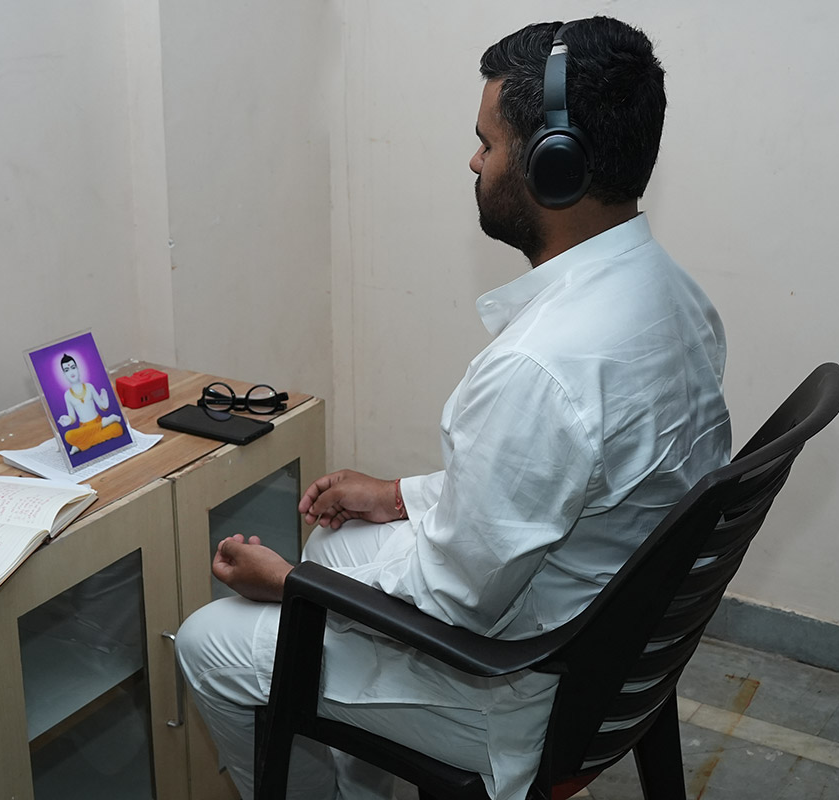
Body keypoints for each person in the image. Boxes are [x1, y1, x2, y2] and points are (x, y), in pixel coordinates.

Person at [176, 16, 730, 800]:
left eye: (487, 143)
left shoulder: (539, 369)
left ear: (555, 165)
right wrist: (397, 495)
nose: (473, 161)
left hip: (518, 692)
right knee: (338, 541)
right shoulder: (677, 299)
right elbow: (565, 481)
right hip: (613, 649)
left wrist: (290, 586)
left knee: (209, 639)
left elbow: (459, 605)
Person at [55, 354, 124, 454]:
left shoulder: (89, 387)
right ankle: (107, 421)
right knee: (68, 436)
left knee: (117, 429)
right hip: (85, 427)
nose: (71, 372)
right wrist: (68, 420)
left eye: (73, 367)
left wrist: (105, 402)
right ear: (64, 374)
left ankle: (81, 445)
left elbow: (102, 406)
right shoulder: (67, 395)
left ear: (78, 369)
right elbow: (73, 417)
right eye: (67, 370)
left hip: (97, 421)